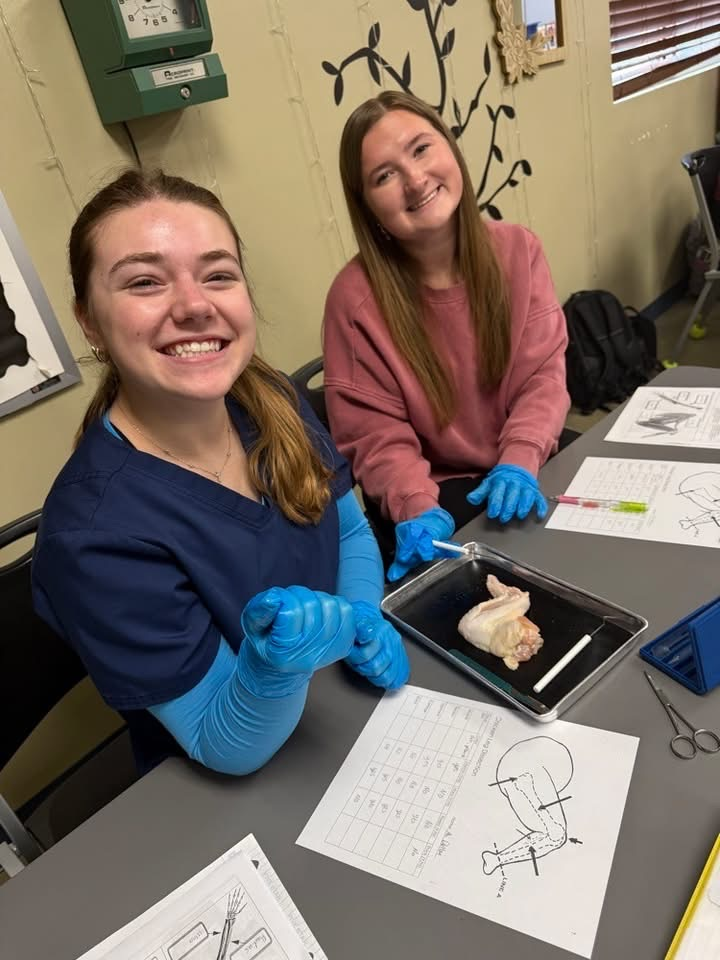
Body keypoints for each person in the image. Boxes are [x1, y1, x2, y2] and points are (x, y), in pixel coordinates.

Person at [32, 169, 409, 777]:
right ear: (90, 321)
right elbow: (223, 743)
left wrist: (362, 616)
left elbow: (347, 531)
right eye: (145, 282)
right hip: (236, 776)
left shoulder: (269, 400)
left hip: (338, 716)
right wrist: (273, 671)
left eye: (218, 275)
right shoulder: (93, 533)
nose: (194, 306)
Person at [322, 91, 571, 581]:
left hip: (525, 461)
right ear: (366, 205)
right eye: (384, 175)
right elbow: (375, 436)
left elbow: (543, 377)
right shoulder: (353, 300)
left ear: (451, 149)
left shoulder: (519, 250)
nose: (415, 180)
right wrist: (414, 504)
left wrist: (521, 457)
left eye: (421, 149)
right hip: (434, 491)